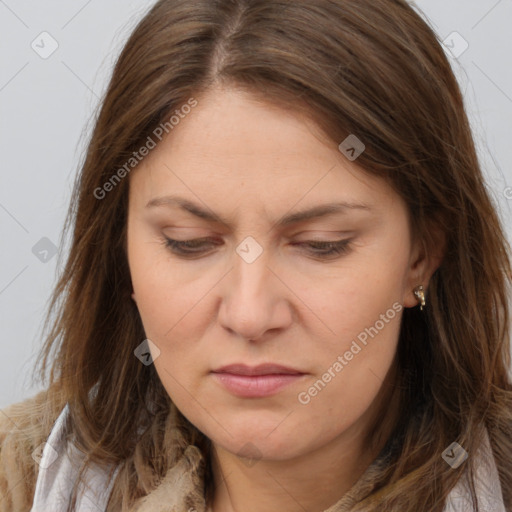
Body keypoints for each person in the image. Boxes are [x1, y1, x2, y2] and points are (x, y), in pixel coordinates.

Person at [1, 1, 511, 511]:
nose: (249, 315)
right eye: (188, 242)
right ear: (122, 249)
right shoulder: (19, 480)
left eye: (322, 245)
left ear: (421, 254)